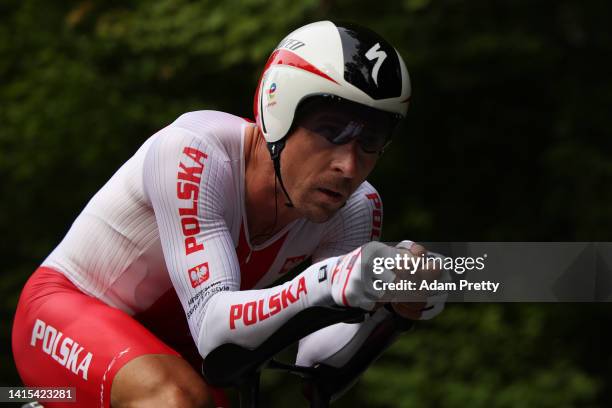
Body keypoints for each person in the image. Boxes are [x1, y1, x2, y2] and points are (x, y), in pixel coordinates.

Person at [12, 20, 445, 408]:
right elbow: (215, 331)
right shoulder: (192, 153)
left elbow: (317, 374)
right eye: (332, 132)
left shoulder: (357, 208)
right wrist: (330, 280)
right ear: (279, 112)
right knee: (176, 400)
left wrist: (390, 310)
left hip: (178, 354)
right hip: (65, 310)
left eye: (371, 140)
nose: (349, 166)